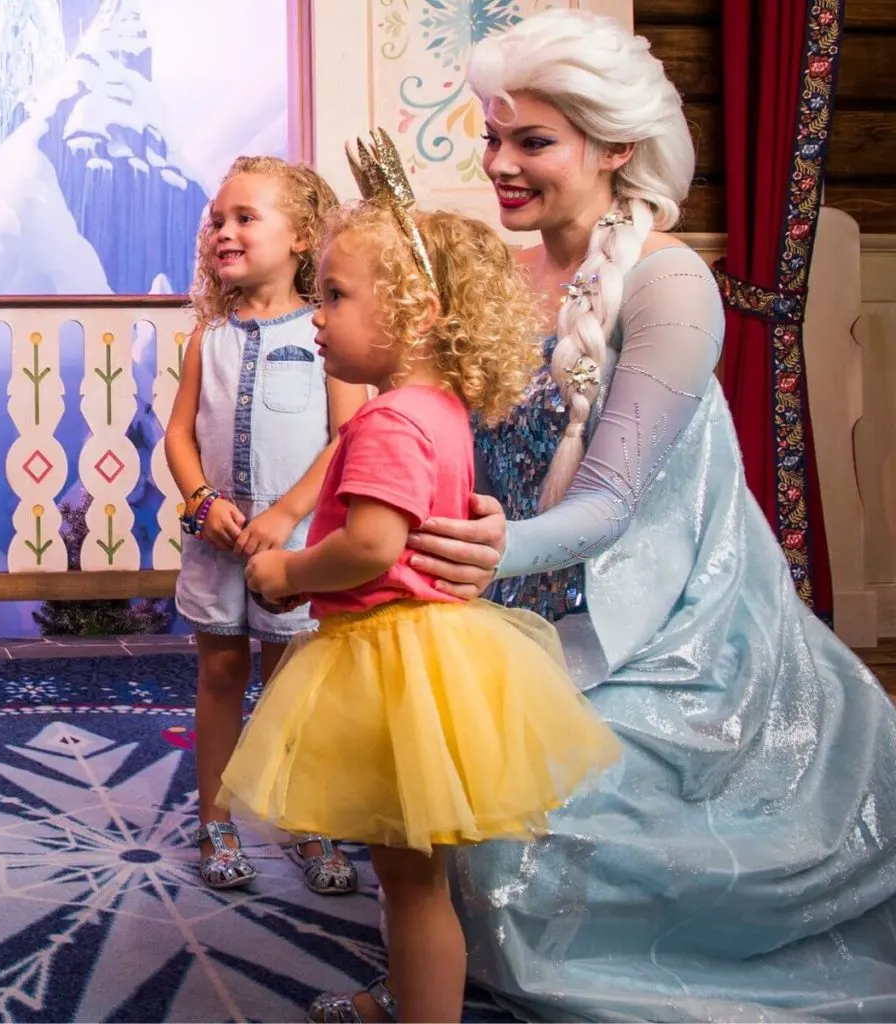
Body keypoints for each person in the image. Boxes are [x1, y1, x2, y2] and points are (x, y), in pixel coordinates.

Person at [394, 8, 896, 1021]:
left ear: (615, 146)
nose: (499, 163)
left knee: (507, 832)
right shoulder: (510, 275)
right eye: (492, 137)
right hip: (521, 604)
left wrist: (491, 552)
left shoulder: (670, 282)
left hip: (670, 633)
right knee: (414, 776)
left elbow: (610, 504)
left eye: (531, 141)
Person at [219, 130, 622, 1024]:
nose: (315, 316)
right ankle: (414, 998)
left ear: (417, 315)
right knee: (414, 880)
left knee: (409, 884)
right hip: (431, 656)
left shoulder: (391, 420)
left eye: (334, 296)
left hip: (393, 663)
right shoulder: (439, 409)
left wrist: (288, 568)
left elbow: (369, 545)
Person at [164, 155, 366, 896]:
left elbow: (347, 438)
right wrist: (200, 500)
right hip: (217, 544)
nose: (225, 230)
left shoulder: (329, 334)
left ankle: (308, 820)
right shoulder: (205, 338)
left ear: (304, 234)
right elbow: (179, 434)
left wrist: (286, 515)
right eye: (218, 218)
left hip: (299, 549)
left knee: (294, 689)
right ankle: (216, 821)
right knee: (220, 672)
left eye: (247, 217)